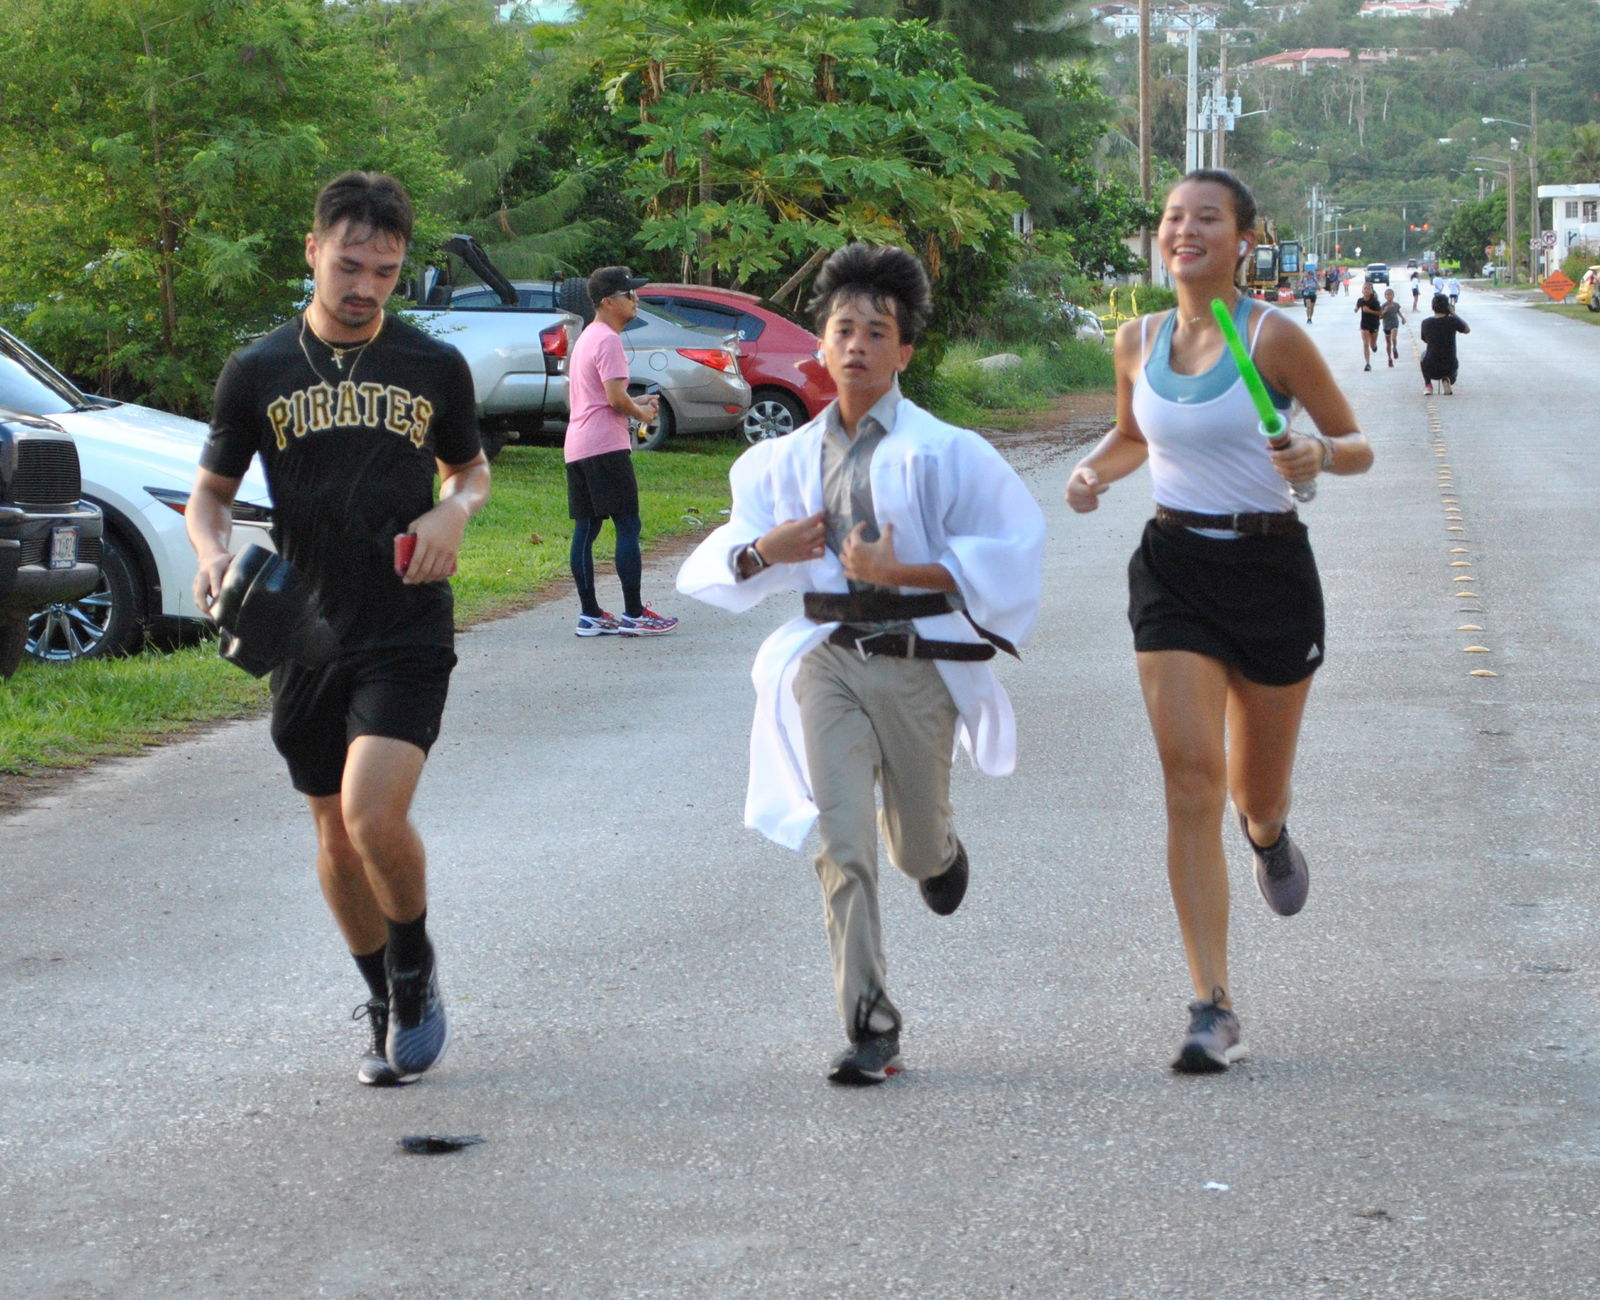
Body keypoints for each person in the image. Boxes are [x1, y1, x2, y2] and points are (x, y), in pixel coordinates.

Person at [676, 244, 1044, 1085]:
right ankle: (870, 1022)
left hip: (919, 661)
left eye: (877, 333)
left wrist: (900, 573)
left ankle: (939, 854)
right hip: (827, 661)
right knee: (842, 843)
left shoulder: (952, 453)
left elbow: (1013, 554)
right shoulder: (780, 460)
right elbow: (730, 552)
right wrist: (761, 552)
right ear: (820, 343)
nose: (857, 346)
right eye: (843, 329)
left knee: (910, 850)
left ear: (904, 350)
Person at [1063, 169, 1373, 1073]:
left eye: (1207, 218)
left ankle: (1269, 837)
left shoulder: (1273, 337)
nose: (1184, 230)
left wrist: (1318, 451)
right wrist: (1092, 473)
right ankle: (1212, 1004)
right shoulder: (1137, 338)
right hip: (1175, 569)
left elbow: (1354, 446)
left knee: (1251, 793)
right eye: (1172, 217)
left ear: (1243, 239)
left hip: (1271, 568)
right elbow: (1132, 434)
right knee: (1190, 780)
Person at [187, 171, 491, 1086]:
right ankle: (380, 995)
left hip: (405, 621)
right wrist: (210, 554)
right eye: (350, 266)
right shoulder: (259, 370)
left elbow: (469, 471)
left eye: (386, 273)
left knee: (371, 812)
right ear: (313, 250)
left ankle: (414, 966)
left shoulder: (433, 366)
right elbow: (210, 496)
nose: (364, 288)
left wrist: (454, 513)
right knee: (331, 829)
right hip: (302, 628)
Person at [564, 266, 678, 637]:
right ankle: (633, 613)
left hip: (578, 445)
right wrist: (642, 411)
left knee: (587, 527)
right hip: (604, 446)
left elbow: (599, 395)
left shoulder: (587, 337)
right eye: (629, 294)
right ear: (607, 302)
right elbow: (614, 399)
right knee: (627, 523)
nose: (636, 299)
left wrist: (637, 399)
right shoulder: (609, 340)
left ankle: (590, 614)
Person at [1420, 292, 1470, 396]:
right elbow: (1467, 330)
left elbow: (1425, 340)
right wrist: (1453, 314)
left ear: (1433, 307)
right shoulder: (1452, 321)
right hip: (1450, 366)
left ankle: (1428, 385)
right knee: (1452, 361)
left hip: (1431, 367)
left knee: (1423, 355)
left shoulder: (1426, 322)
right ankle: (1447, 379)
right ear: (1447, 307)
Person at [1355, 282, 1383, 370]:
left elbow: (1380, 313)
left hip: (1374, 324)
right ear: (1362, 290)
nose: (1366, 290)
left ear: (1371, 291)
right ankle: (1367, 364)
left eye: (1368, 288)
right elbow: (1357, 307)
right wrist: (1356, 309)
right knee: (1365, 344)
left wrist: (1369, 311)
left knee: (1372, 344)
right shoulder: (1360, 300)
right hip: (1364, 325)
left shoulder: (1375, 301)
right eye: (1365, 288)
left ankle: (1374, 346)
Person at [1379, 287, 1406, 366]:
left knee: (1393, 338)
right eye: (1387, 295)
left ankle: (1394, 348)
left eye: (1390, 294)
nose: (1389, 296)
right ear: (1385, 296)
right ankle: (1389, 358)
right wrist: (1384, 311)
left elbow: (1398, 312)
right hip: (1386, 325)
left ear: (1393, 296)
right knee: (1388, 343)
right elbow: (1379, 317)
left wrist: (1403, 318)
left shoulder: (1396, 305)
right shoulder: (1383, 306)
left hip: (1394, 323)